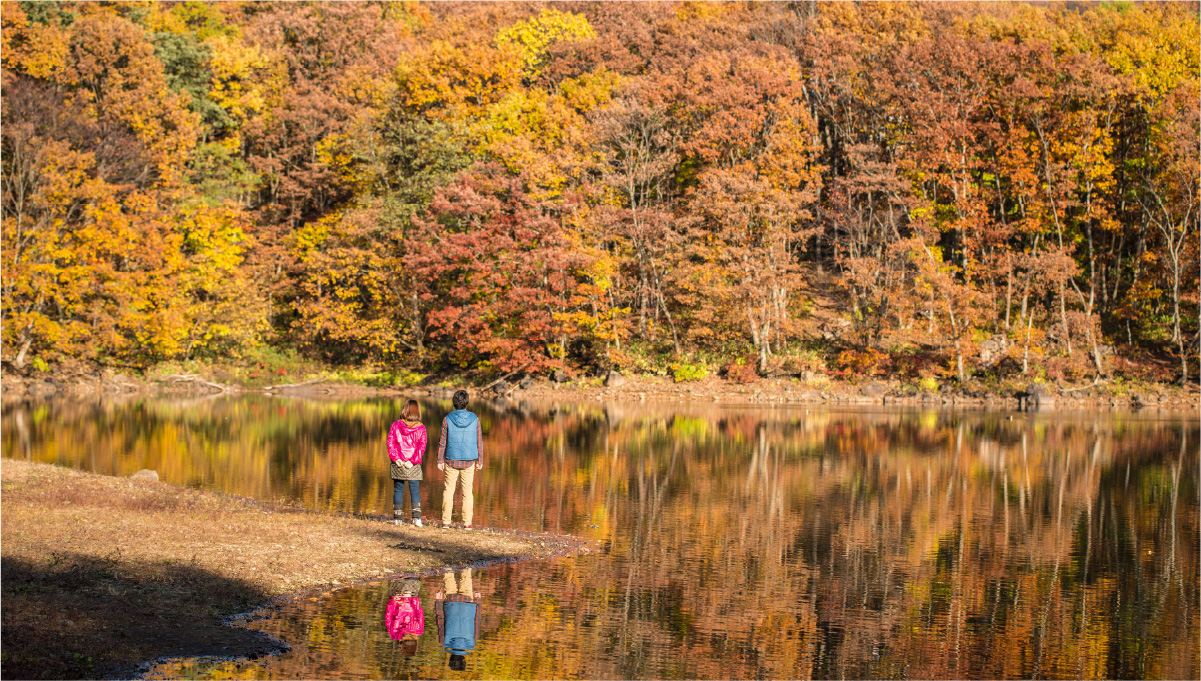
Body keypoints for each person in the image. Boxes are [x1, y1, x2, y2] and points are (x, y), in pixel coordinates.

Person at [437, 390, 482, 529]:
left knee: (448, 490)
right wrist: (480, 459)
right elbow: (479, 441)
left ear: (454, 403)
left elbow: (442, 441)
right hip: (469, 459)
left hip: (451, 459)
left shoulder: (447, 419)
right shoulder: (475, 419)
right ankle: (467, 523)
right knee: (467, 491)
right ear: (467, 402)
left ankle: (446, 522)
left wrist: (440, 459)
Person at [388, 400, 427, 526]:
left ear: (404, 410)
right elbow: (422, 447)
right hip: (412, 463)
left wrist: (396, 458)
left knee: (398, 490)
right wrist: (413, 461)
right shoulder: (421, 428)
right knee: (414, 490)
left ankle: (397, 518)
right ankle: (417, 518)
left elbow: (391, 443)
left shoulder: (396, 425)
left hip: (399, 462)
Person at [436, 568, 481, 671]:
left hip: (468, 602)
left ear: (464, 658)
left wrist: (478, 601)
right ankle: (448, 559)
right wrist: (438, 601)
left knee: (466, 574)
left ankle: (467, 558)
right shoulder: (444, 641)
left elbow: (477, 620)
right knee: (448, 575)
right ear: (451, 657)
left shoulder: (473, 642)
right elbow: (440, 618)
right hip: (451, 602)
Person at [385, 578, 425, 658]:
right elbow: (389, 615)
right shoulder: (395, 633)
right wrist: (393, 600)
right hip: (404, 597)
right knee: (401, 575)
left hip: (406, 596)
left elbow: (419, 611)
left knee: (406, 576)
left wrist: (393, 600)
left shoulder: (418, 631)